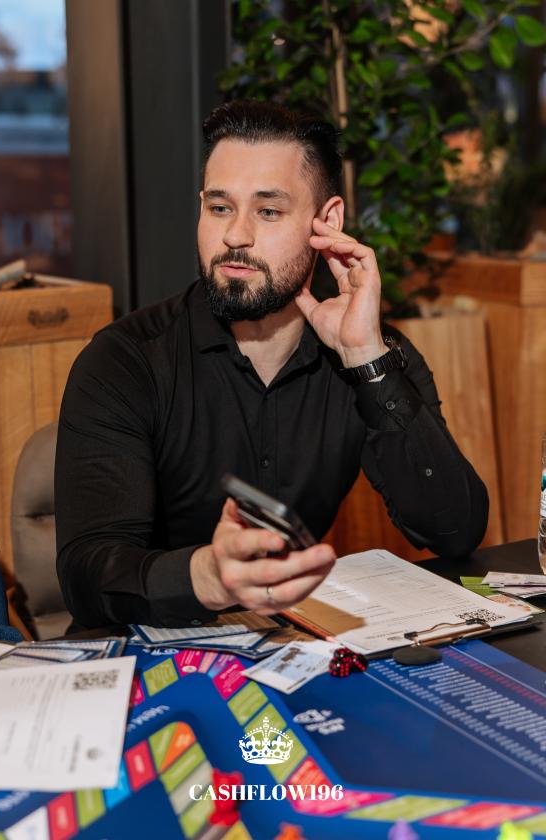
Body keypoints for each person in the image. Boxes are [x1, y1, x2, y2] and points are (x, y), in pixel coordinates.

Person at [55, 100, 488, 630]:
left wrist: (365, 359)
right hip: (149, 657)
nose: (236, 235)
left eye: (268, 211)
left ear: (327, 222)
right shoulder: (125, 360)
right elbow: (86, 575)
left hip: (290, 648)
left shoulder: (373, 353)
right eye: (220, 207)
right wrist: (206, 577)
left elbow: (455, 532)